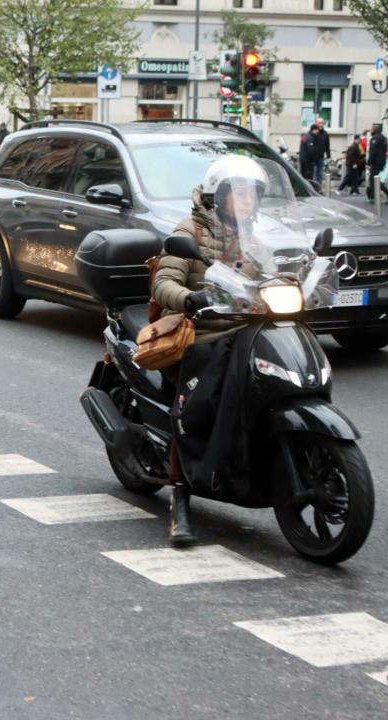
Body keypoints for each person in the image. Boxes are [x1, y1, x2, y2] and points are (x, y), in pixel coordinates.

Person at [151, 155, 267, 545]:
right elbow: (164, 283)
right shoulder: (192, 232)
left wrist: (300, 277)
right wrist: (189, 298)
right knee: (191, 413)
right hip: (199, 335)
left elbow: (269, 274)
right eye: (240, 194)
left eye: (253, 194)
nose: (247, 201)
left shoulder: (254, 237)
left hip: (242, 331)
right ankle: (180, 499)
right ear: (219, 196)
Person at [366, 123, 386, 204]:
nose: (371, 130)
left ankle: (372, 196)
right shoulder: (384, 138)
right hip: (381, 162)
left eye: (372, 129)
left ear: (375, 130)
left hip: (376, 162)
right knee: (376, 179)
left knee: (374, 180)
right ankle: (372, 195)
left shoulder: (375, 139)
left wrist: (369, 163)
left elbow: (373, 152)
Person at [313, 117, 331, 184]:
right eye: (319, 123)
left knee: (320, 174)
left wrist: (329, 156)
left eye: (322, 123)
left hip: (321, 157)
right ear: (316, 123)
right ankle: (314, 188)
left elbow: (327, 146)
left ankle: (319, 188)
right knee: (314, 174)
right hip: (313, 158)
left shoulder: (325, 134)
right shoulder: (313, 133)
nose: (321, 124)